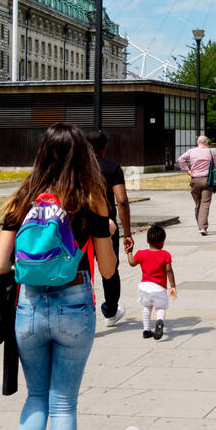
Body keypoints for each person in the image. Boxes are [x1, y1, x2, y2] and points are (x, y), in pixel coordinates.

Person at [0, 122, 117, 430]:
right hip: (74, 305)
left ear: (42, 153)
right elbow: (108, 267)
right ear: (83, 156)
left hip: (28, 309)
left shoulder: (23, 197)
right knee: (64, 403)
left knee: (36, 398)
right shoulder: (90, 199)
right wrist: (108, 232)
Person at [88, 130, 131, 324]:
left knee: (81, 269)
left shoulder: (76, 168)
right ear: (104, 148)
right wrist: (127, 233)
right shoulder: (112, 168)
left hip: (80, 225)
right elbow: (122, 201)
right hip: (107, 225)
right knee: (110, 268)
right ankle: (111, 311)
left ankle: (82, 311)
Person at [131, 223, 177, 341]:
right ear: (162, 242)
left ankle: (146, 330)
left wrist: (129, 252)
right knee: (160, 308)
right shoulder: (165, 255)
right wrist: (173, 286)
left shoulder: (141, 254)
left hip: (144, 287)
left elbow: (131, 263)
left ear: (147, 240)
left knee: (147, 307)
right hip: (159, 287)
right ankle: (159, 321)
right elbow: (169, 270)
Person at [178, 134, 216, 235]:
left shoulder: (191, 151)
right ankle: (202, 226)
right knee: (205, 203)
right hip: (207, 180)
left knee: (198, 204)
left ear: (197, 143)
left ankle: (200, 225)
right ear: (206, 143)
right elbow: (215, 165)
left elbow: (180, 159)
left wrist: (188, 170)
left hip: (195, 180)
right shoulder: (211, 152)